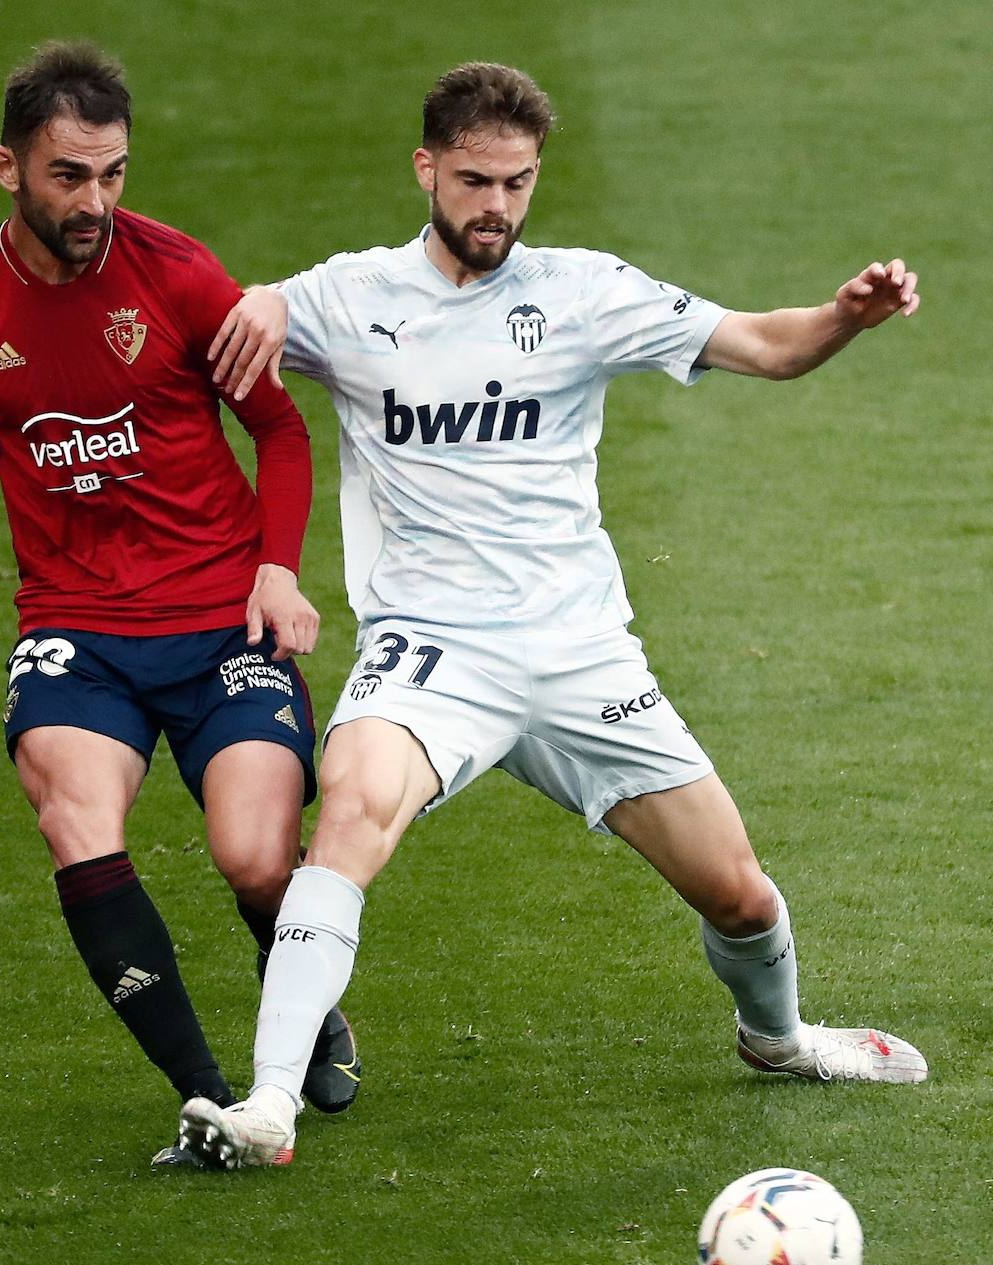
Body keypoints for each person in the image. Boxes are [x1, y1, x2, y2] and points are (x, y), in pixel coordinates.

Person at [178, 61, 927, 1170]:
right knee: (348, 815)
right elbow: (211, 327)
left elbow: (768, 345)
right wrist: (248, 301)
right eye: (476, 180)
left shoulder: (584, 292)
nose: (497, 207)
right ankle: (270, 1106)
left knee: (738, 892)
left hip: (581, 654)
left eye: (518, 183)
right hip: (433, 652)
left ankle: (777, 1039)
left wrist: (846, 316)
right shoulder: (349, 296)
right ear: (426, 167)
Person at [0, 41, 360, 1167]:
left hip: (218, 622)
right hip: (76, 632)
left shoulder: (182, 277)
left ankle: (300, 986)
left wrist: (279, 567)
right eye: (70, 176)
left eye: (113, 174)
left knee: (256, 857)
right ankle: (212, 1101)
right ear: (8, 168)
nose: (97, 201)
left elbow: (283, 432)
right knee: (77, 826)